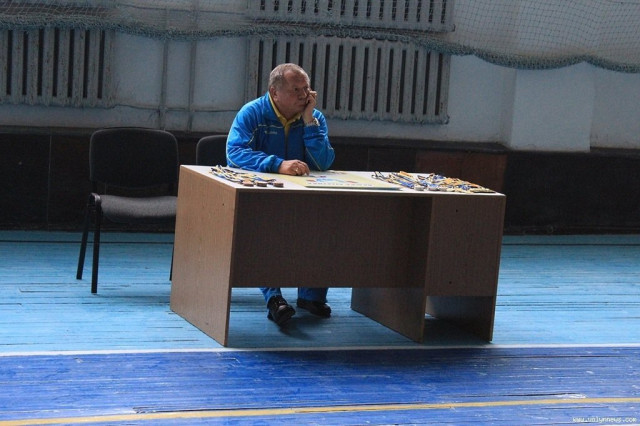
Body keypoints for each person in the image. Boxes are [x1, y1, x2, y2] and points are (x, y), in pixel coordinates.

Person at [226, 63, 336, 326]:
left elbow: (323, 163)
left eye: (306, 89)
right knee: (267, 230)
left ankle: (311, 296)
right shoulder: (252, 113)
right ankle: (274, 298)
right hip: (262, 197)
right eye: (296, 90)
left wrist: (309, 122)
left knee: (323, 223)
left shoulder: (314, 118)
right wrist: (276, 164)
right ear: (274, 93)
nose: (304, 95)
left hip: (302, 197)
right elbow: (234, 153)